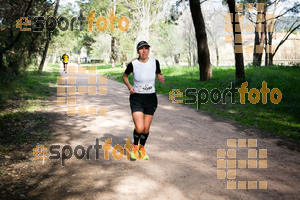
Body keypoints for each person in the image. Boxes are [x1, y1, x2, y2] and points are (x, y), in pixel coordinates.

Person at [122, 41, 165, 160]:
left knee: (146, 128)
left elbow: (159, 74)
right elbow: (124, 76)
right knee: (139, 127)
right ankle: (135, 147)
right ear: (138, 51)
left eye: (146, 48)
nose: (144, 51)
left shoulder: (155, 62)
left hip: (150, 98)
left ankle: (142, 149)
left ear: (149, 50)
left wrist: (161, 77)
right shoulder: (133, 64)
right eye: (141, 49)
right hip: (137, 97)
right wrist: (130, 87)